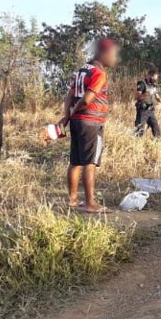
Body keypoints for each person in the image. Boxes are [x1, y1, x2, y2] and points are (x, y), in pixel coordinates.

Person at [59, 38, 119, 213]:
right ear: (104, 53)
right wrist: (71, 114)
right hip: (91, 122)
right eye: (114, 55)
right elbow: (86, 99)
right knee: (89, 163)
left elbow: (70, 95)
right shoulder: (99, 74)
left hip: (78, 122)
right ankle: (90, 203)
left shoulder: (82, 71)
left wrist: (68, 116)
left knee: (76, 161)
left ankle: (72, 200)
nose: (115, 59)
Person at [134, 69, 161, 137]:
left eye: (155, 79)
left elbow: (157, 96)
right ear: (149, 76)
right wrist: (145, 95)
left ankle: (157, 141)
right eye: (154, 79)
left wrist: (159, 102)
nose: (155, 81)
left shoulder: (153, 86)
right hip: (143, 110)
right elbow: (137, 97)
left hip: (151, 110)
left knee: (156, 127)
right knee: (140, 129)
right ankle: (137, 143)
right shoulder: (142, 84)